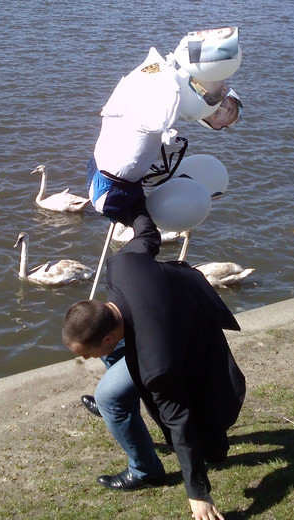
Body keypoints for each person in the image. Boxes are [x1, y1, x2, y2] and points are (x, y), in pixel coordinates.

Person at [62, 212, 245, 520]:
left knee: (110, 398)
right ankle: (124, 404)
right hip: (176, 305)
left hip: (187, 335)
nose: (86, 360)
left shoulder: (156, 365)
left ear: (108, 336)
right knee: (113, 369)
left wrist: (197, 491)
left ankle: (146, 469)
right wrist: (123, 206)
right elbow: (147, 232)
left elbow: (179, 421)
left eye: (87, 354)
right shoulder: (120, 266)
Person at [87, 29, 243, 226]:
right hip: (112, 190)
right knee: (149, 236)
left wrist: (205, 47)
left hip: (111, 176)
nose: (220, 103)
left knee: (147, 231)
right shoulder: (167, 97)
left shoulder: (158, 76)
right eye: (221, 101)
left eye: (220, 111)